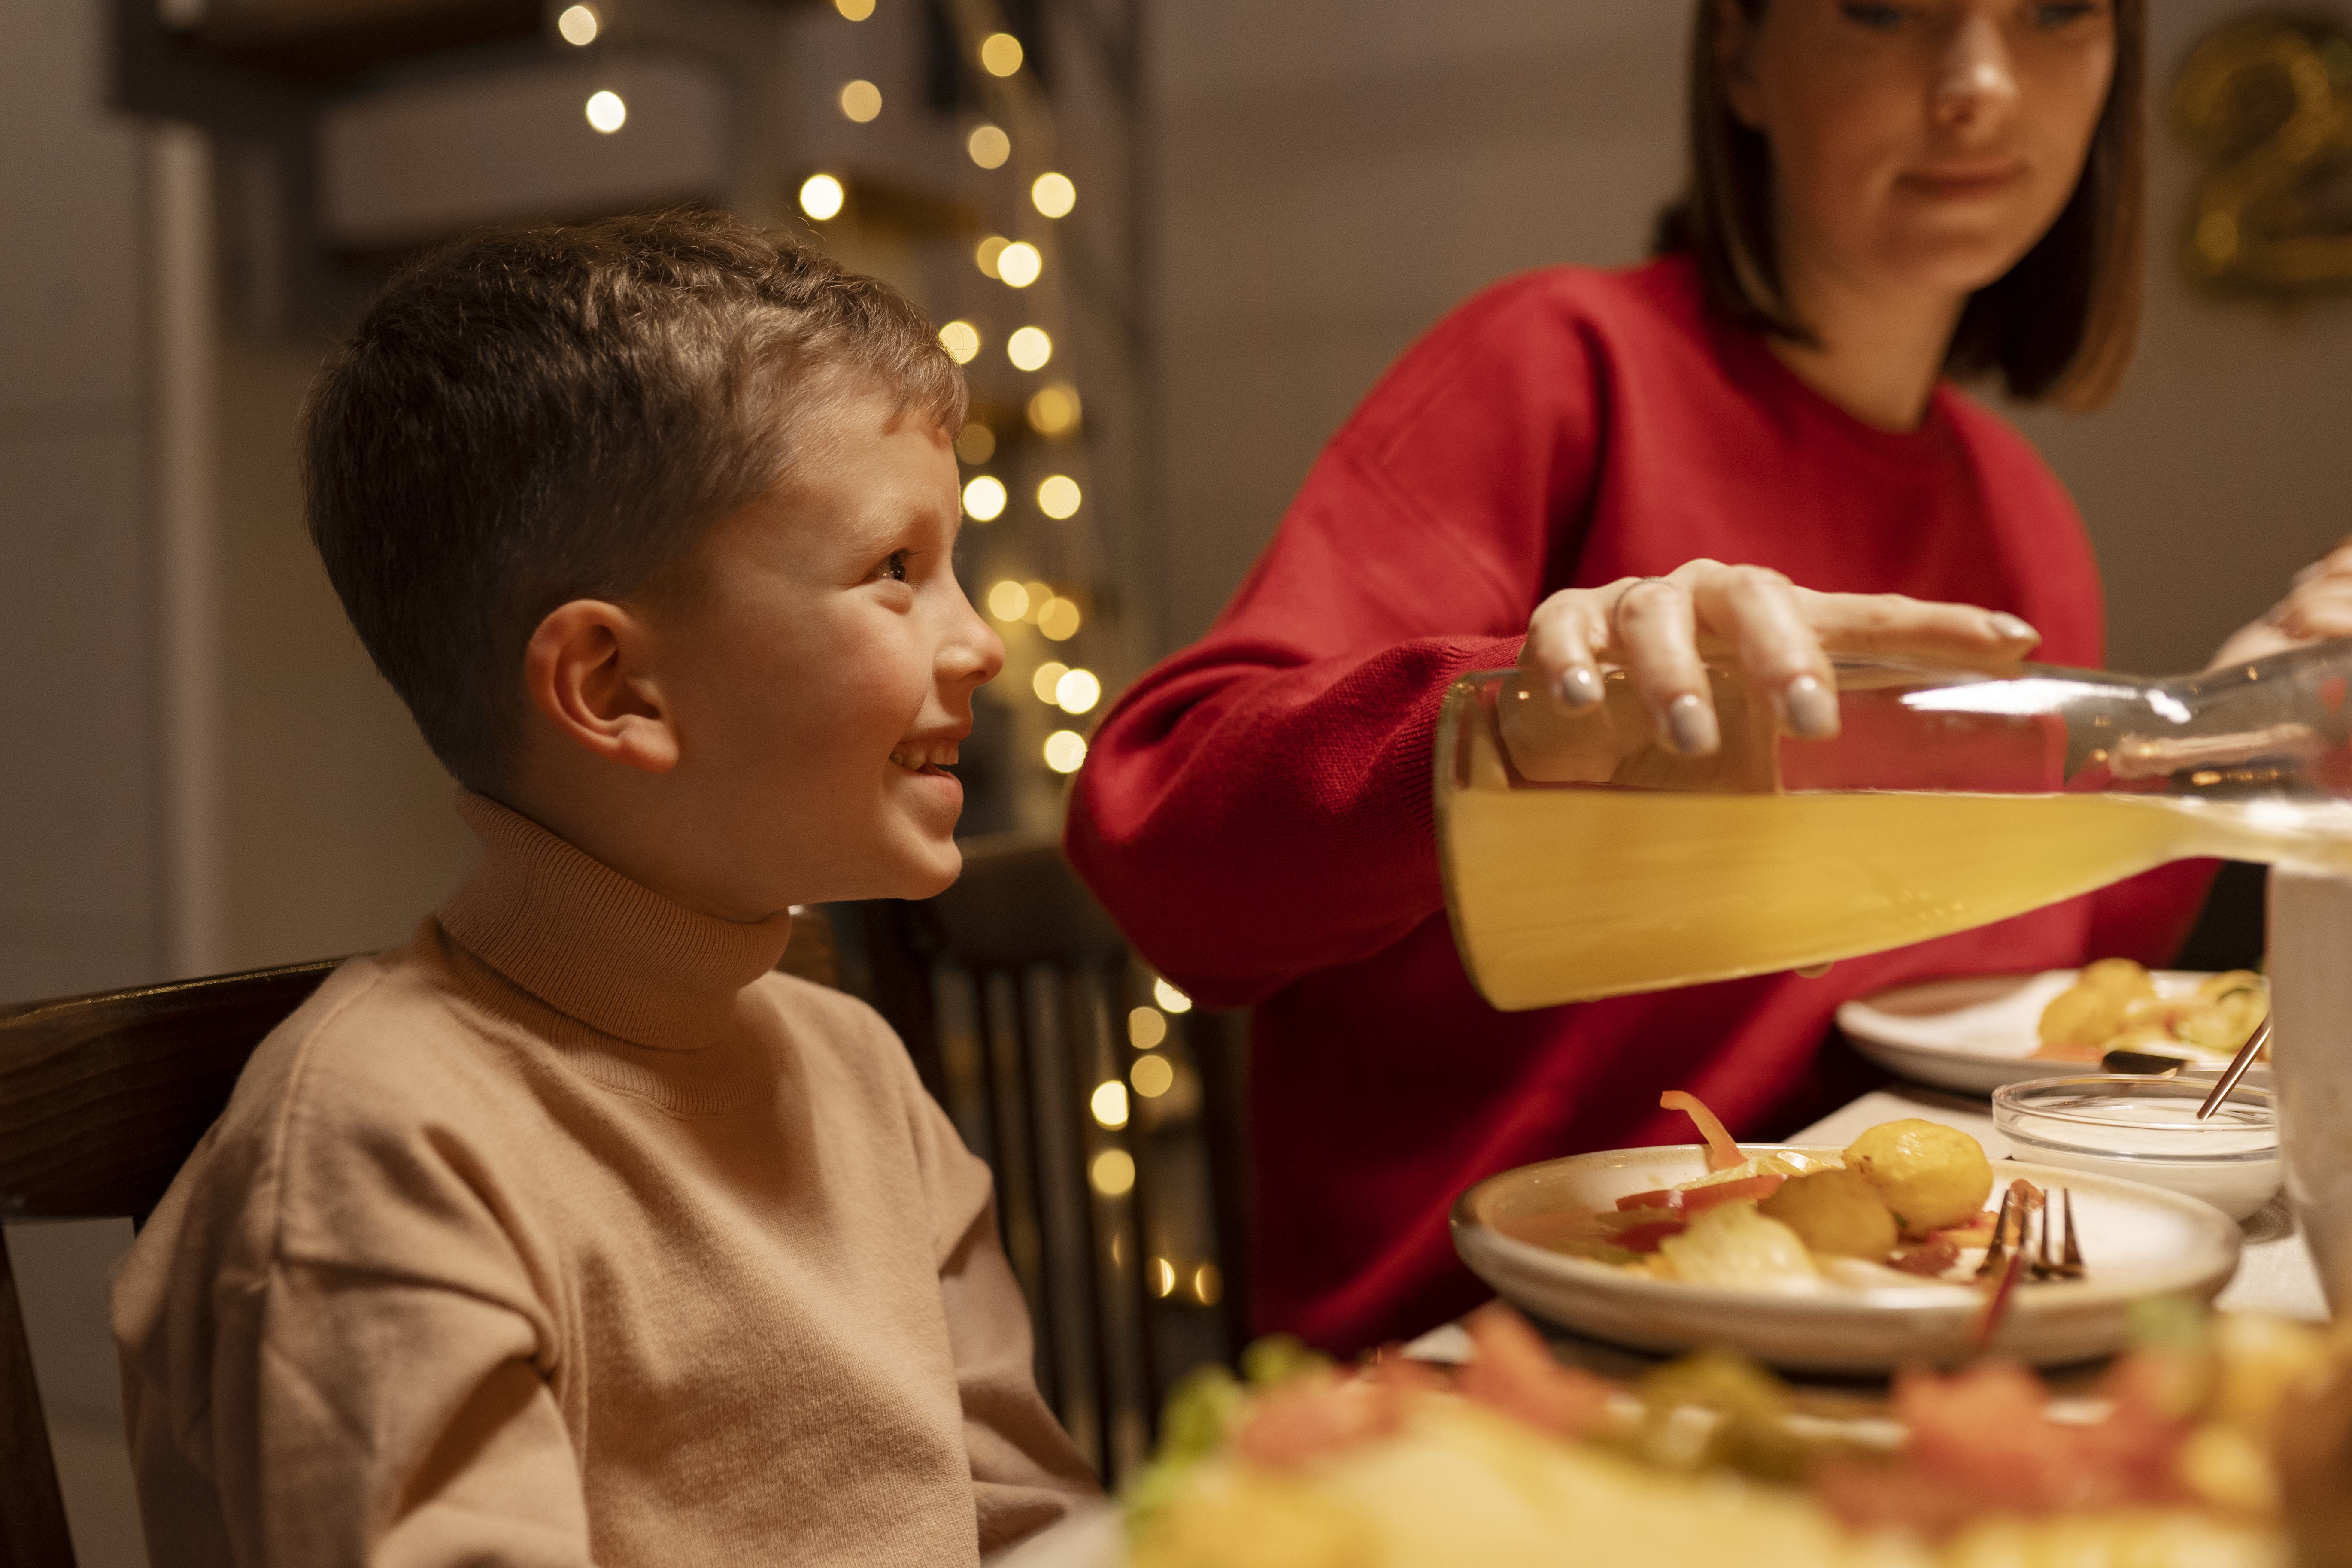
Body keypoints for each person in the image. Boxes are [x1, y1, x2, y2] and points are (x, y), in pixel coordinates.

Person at [1066, 0, 2352, 1355]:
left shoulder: (2018, 509)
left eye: (2054, 13)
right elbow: (1160, 847)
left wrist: (2229, 717)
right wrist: (1498, 728)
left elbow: (2009, 972)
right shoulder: (1557, 375)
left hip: (1874, 1342)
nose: (1979, 83)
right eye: (1883, 10)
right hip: (1473, 1364)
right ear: (1739, 50)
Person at [111, 212, 1096, 1565]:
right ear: (614, 688)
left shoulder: (854, 1067)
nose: (980, 641)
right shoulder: (382, 1147)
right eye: (896, 572)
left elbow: (1035, 1528)